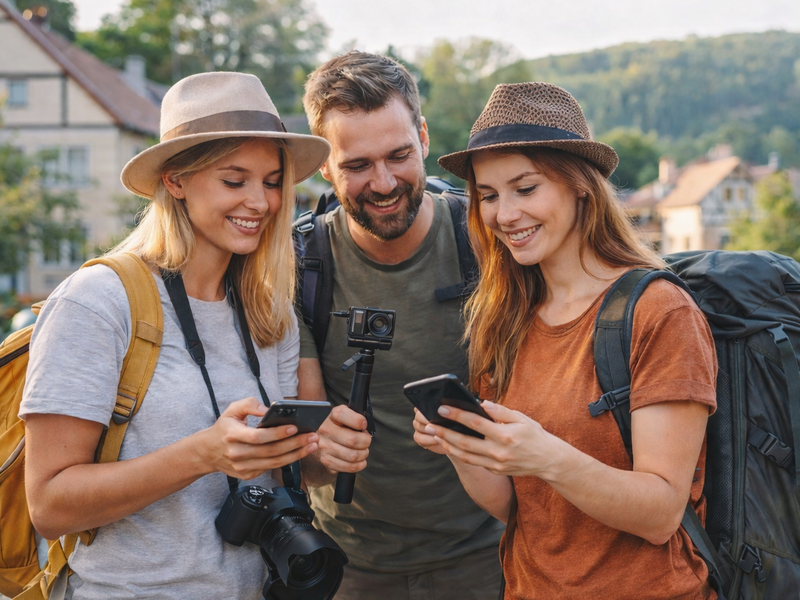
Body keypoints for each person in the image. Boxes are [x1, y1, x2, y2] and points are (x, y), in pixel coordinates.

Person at [19, 72, 332, 599]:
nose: (260, 202)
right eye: (235, 181)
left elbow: (288, 472)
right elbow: (48, 506)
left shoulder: (268, 311)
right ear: (175, 180)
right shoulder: (98, 301)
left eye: (273, 181)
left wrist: (324, 452)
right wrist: (202, 454)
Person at [414, 82, 718, 600]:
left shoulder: (659, 311)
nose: (504, 214)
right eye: (488, 196)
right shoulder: (502, 318)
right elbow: (516, 506)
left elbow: (661, 513)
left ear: (579, 184)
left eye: (525, 188)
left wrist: (545, 456)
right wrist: (460, 446)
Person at [296, 51, 504, 599]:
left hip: (486, 557)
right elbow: (309, 461)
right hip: (348, 565)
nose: (384, 183)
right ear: (323, 163)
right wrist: (318, 449)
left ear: (425, 137)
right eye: (357, 165)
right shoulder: (300, 265)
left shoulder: (488, 241)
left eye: (398, 155)